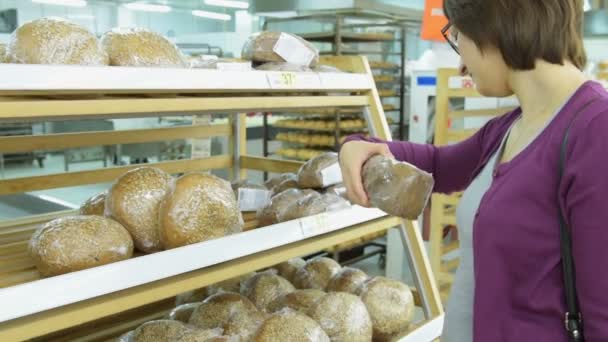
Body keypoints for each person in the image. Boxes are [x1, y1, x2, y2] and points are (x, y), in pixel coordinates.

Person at [339, 0, 608, 341]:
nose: (461, 65)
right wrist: (360, 143)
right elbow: (438, 164)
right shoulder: (512, 126)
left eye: (458, 36)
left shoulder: (596, 132)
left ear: (495, 24)